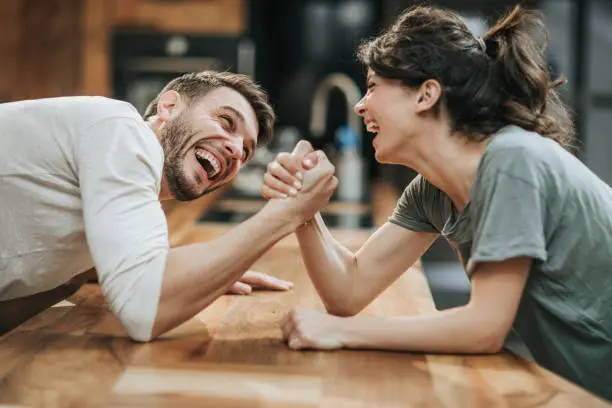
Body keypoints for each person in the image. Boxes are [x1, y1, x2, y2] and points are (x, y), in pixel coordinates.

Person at [261, 5, 612, 401]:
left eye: (374, 86)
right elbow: (348, 291)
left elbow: (484, 328)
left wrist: (339, 333)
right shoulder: (434, 191)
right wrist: (304, 208)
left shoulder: (514, 160)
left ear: (426, 95)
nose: (361, 105)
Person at [0, 70, 338, 342]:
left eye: (246, 152)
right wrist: (289, 212)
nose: (236, 150)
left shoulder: (115, 167)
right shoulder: (120, 129)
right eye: (225, 121)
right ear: (168, 106)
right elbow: (143, 311)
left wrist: (207, 270)